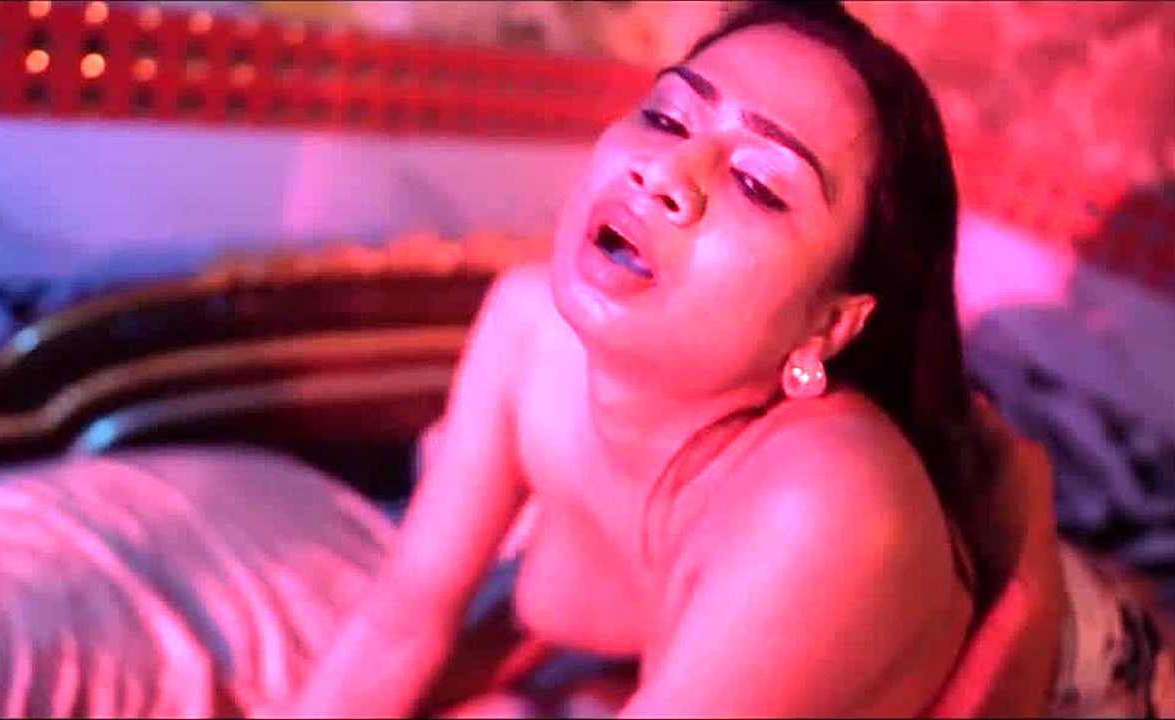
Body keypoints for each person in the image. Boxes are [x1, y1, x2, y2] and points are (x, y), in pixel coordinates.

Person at [292, 2, 1051, 716]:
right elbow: (400, 621)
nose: (664, 173)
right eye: (666, 117)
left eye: (757, 184)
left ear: (829, 326)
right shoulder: (528, 329)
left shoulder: (823, 503)